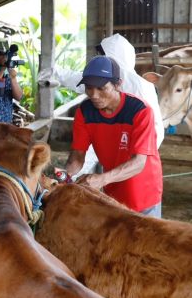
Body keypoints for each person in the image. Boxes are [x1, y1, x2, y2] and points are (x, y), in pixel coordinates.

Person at [65, 56, 163, 218]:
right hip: (112, 191)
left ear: (118, 84)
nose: (94, 95)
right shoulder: (85, 112)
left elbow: (139, 163)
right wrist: (65, 176)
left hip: (143, 192)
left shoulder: (140, 111)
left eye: (101, 88)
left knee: (145, 241)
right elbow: (78, 155)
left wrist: (101, 179)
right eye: (89, 88)